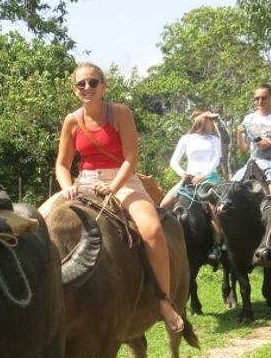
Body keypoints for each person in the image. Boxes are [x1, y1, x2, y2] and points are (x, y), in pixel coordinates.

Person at [39, 62, 186, 336]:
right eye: (81, 84)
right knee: (37, 223)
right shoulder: (72, 120)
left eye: (93, 82)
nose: (87, 88)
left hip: (122, 180)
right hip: (84, 183)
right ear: (74, 90)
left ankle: (164, 301)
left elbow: (131, 158)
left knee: (152, 229)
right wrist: (68, 186)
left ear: (104, 86)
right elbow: (62, 164)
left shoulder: (120, 113)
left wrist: (113, 186)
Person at [160, 110, 223, 209]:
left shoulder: (215, 139)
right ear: (202, 121)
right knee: (164, 205)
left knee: (214, 207)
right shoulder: (186, 139)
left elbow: (216, 160)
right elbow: (173, 161)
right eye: (210, 120)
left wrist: (203, 175)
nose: (212, 123)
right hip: (190, 179)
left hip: (210, 177)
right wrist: (182, 174)